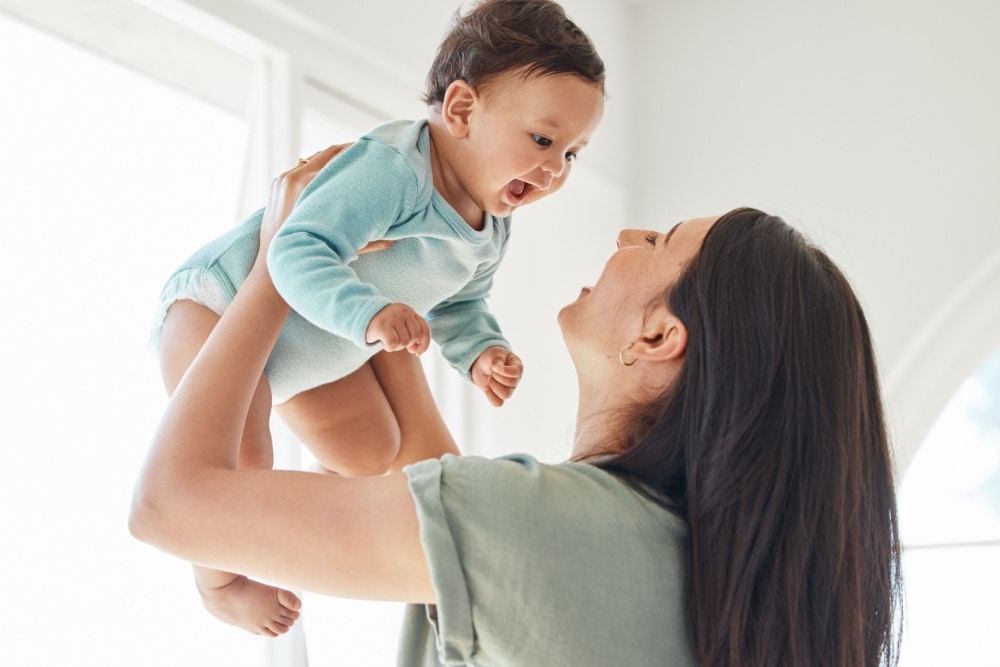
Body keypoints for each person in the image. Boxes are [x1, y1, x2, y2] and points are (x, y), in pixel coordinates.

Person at [131, 146, 904, 665]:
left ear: (661, 334)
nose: (631, 232)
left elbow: (169, 506)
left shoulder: (541, 523)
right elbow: (435, 477)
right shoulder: (685, 564)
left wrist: (279, 259)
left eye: (661, 241)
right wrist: (390, 278)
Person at [147, 0, 605, 635]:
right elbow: (295, 247)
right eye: (544, 140)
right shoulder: (395, 172)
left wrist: (479, 351)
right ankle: (217, 582)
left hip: (313, 343)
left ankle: (293, 523)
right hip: (219, 307)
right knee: (243, 464)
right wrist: (372, 314)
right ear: (463, 110)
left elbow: (461, 303)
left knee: (370, 452)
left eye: (573, 154)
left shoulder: (492, 228)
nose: (555, 169)